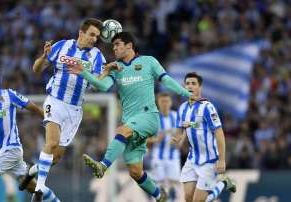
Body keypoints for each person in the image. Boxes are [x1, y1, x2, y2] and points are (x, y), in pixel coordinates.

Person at [68, 32, 199, 202]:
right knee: (135, 172)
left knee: (122, 131)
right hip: (132, 122)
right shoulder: (116, 69)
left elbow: (166, 80)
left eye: (117, 44)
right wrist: (85, 72)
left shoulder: (148, 61)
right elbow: (102, 86)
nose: (114, 48)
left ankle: (103, 166)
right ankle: (160, 195)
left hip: (148, 117)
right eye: (113, 45)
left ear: (129, 46)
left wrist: (185, 93)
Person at [20, 18, 106, 201]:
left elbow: (99, 84)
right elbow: (36, 69)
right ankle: (39, 190)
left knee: (56, 157)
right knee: (51, 143)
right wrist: (44, 57)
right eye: (91, 34)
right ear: (81, 33)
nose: (94, 39)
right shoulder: (62, 46)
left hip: (75, 110)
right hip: (55, 101)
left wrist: (107, 71)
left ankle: (33, 171)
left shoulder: (97, 56)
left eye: (97, 37)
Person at [0, 64, 60, 202]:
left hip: (11, 149)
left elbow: (33, 107)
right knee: (32, 187)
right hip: (0, 151)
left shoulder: (8, 95)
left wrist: (50, 123)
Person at [169, 72, 236, 202]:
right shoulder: (182, 108)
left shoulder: (207, 107)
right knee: (188, 197)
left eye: (193, 83)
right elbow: (179, 130)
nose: (190, 86)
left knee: (198, 201)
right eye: (187, 83)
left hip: (210, 161)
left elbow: (219, 133)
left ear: (200, 87)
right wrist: (176, 138)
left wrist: (221, 160)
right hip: (192, 158)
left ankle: (223, 184)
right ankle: (223, 183)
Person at [147, 92, 183, 201]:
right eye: (162, 101)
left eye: (166, 101)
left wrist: (177, 141)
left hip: (173, 158)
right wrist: (156, 139)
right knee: (159, 187)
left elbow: (181, 136)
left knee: (175, 188)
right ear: (158, 103)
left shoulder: (176, 116)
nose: (164, 104)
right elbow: (143, 139)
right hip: (158, 158)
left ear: (170, 102)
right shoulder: (153, 119)